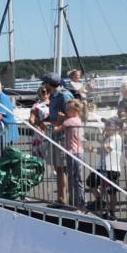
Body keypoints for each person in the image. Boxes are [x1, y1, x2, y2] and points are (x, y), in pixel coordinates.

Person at [43, 74, 75, 206]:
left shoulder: (64, 95)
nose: (43, 86)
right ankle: (61, 198)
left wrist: (56, 123)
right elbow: (55, 115)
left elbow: (72, 114)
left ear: (49, 84)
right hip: (56, 135)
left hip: (64, 136)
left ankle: (67, 199)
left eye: (45, 83)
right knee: (59, 168)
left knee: (64, 168)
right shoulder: (54, 96)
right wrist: (45, 121)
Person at [87, 118, 123, 217]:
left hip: (112, 168)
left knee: (111, 191)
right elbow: (102, 151)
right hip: (102, 166)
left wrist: (101, 140)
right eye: (106, 125)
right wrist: (93, 149)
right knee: (91, 181)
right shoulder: (108, 138)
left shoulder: (116, 137)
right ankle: (99, 201)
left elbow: (107, 149)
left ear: (117, 127)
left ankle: (112, 212)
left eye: (109, 125)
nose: (106, 127)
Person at [54, 99, 85, 210]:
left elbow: (56, 130)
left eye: (68, 108)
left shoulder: (70, 121)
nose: (66, 110)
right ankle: (77, 202)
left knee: (74, 179)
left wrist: (59, 120)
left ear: (75, 109)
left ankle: (77, 204)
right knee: (77, 178)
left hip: (73, 152)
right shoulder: (77, 119)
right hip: (78, 151)